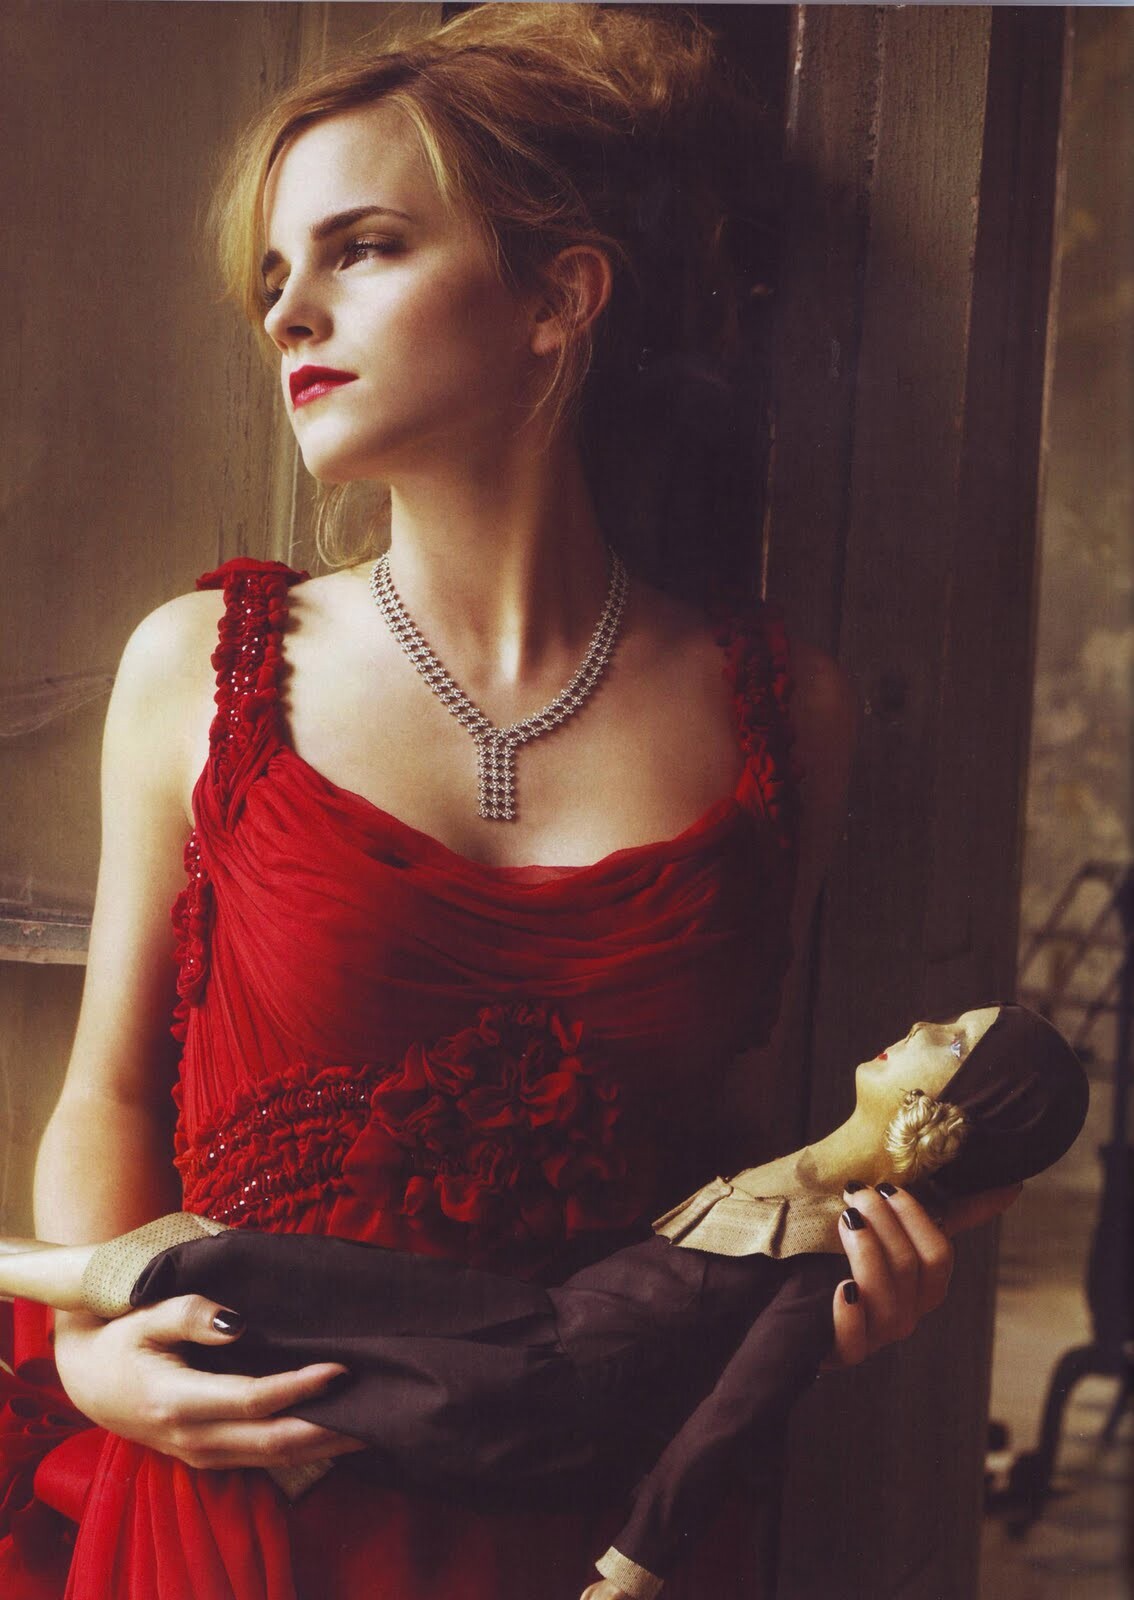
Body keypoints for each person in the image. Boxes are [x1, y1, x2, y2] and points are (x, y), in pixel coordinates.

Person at [10, 7, 1017, 1598]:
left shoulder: (788, 715)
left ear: (559, 295)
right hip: (247, 1503)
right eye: (273, 274)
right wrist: (89, 1355)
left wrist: (836, 1292)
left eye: (363, 247)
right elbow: (112, 1096)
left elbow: (725, 1161)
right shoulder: (200, 667)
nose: (289, 313)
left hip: (595, 1522)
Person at [0, 1003, 1087, 1600]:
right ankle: (31, 1267)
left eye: (952, 1043)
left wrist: (629, 1573)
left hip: (530, 1400)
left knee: (288, 1339)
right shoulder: (791, 1173)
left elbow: (725, 1426)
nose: (920, 1027)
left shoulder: (817, 1259)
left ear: (943, 1118)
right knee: (262, 1268)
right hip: (526, 1320)